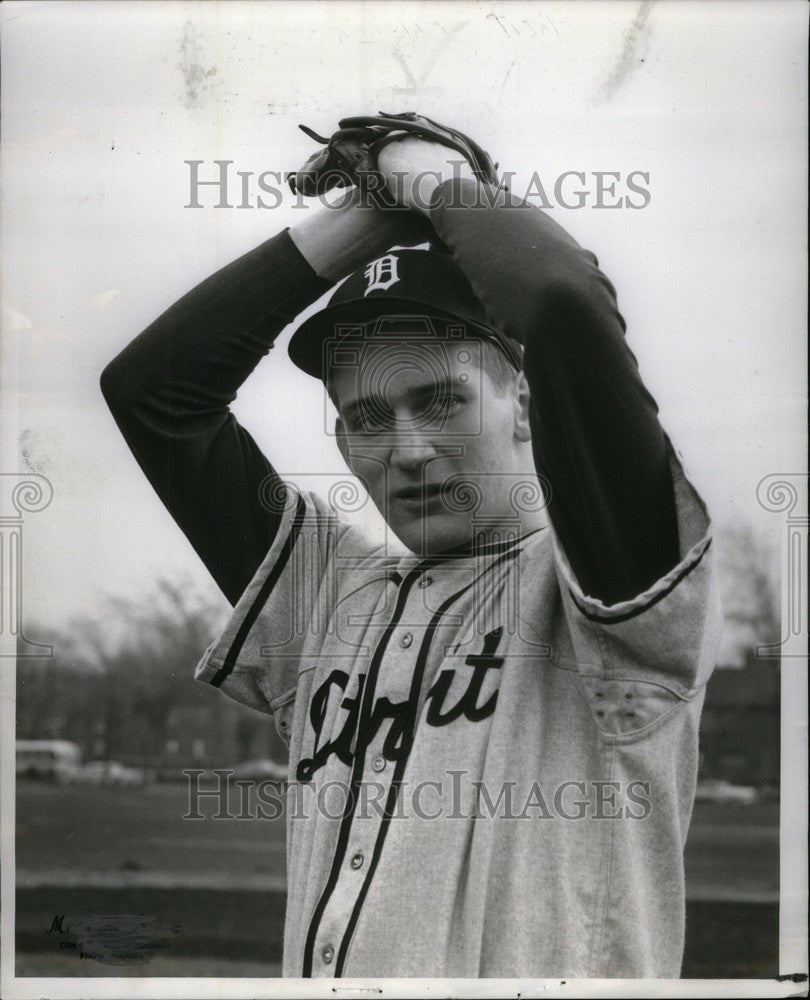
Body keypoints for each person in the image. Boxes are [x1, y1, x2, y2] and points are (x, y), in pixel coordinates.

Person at [101, 127, 721, 979]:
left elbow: (558, 299)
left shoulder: (614, 573)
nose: (408, 449)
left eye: (440, 401)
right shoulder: (326, 595)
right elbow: (152, 395)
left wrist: (429, 177)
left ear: (525, 403)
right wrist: (366, 222)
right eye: (366, 418)